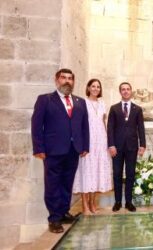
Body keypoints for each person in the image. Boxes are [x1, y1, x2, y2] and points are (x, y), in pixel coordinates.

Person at [31, 68, 89, 233]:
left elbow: (84, 126)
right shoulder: (45, 100)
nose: (67, 81)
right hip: (52, 151)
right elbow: (36, 126)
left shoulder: (80, 102)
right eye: (63, 78)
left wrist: (85, 146)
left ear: (73, 82)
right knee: (53, 185)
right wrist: (38, 148)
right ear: (57, 80)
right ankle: (54, 219)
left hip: (73, 150)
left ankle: (63, 212)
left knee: (67, 183)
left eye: (70, 78)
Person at [73, 79, 112, 215]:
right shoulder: (82, 103)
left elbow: (103, 122)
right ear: (88, 88)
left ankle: (92, 202)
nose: (96, 88)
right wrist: (81, 144)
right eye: (93, 86)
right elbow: (79, 124)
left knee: (96, 171)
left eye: (98, 87)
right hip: (88, 141)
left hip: (101, 142)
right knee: (86, 171)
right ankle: (84, 204)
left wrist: (108, 141)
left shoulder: (102, 103)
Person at [107, 82, 146, 212]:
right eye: (123, 89)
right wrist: (111, 145)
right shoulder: (114, 108)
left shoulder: (137, 109)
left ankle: (129, 201)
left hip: (132, 147)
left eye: (128, 89)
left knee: (130, 174)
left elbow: (141, 128)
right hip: (116, 148)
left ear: (131, 92)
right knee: (117, 174)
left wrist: (143, 145)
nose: (125, 91)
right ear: (120, 92)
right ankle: (118, 201)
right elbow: (110, 128)